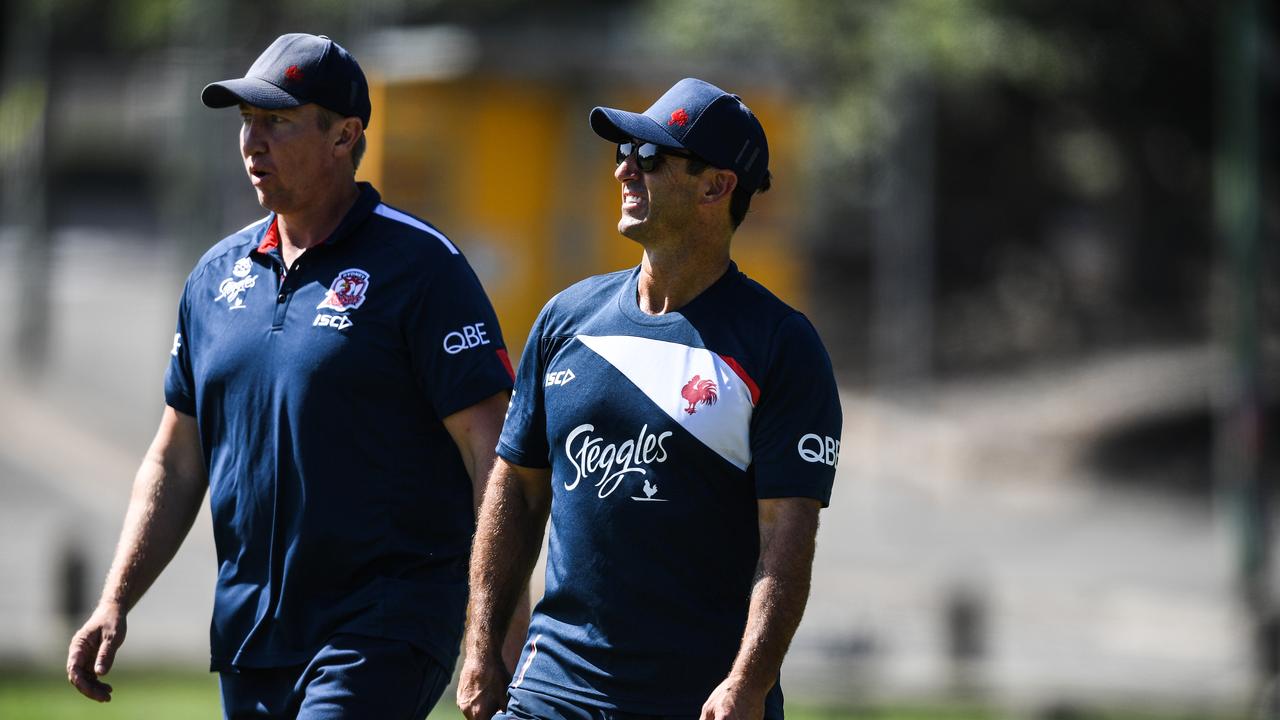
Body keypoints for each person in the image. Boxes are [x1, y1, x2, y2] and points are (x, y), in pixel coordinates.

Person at [66, 32, 525, 718]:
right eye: (247, 122)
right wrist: (114, 599)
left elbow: (495, 462)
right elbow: (175, 459)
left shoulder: (422, 268)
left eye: (277, 122)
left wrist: (498, 637)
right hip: (252, 637)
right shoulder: (214, 277)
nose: (253, 142)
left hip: (384, 626)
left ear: (345, 136)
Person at [458, 78, 842, 720]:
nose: (626, 169)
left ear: (717, 187)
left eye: (651, 155)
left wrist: (747, 684)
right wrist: (480, 645)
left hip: (691, 703)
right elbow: (516, 491)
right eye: (623, 152)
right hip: (548, 693)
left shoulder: (780, 345)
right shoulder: (565, 319)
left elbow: (787, 536)